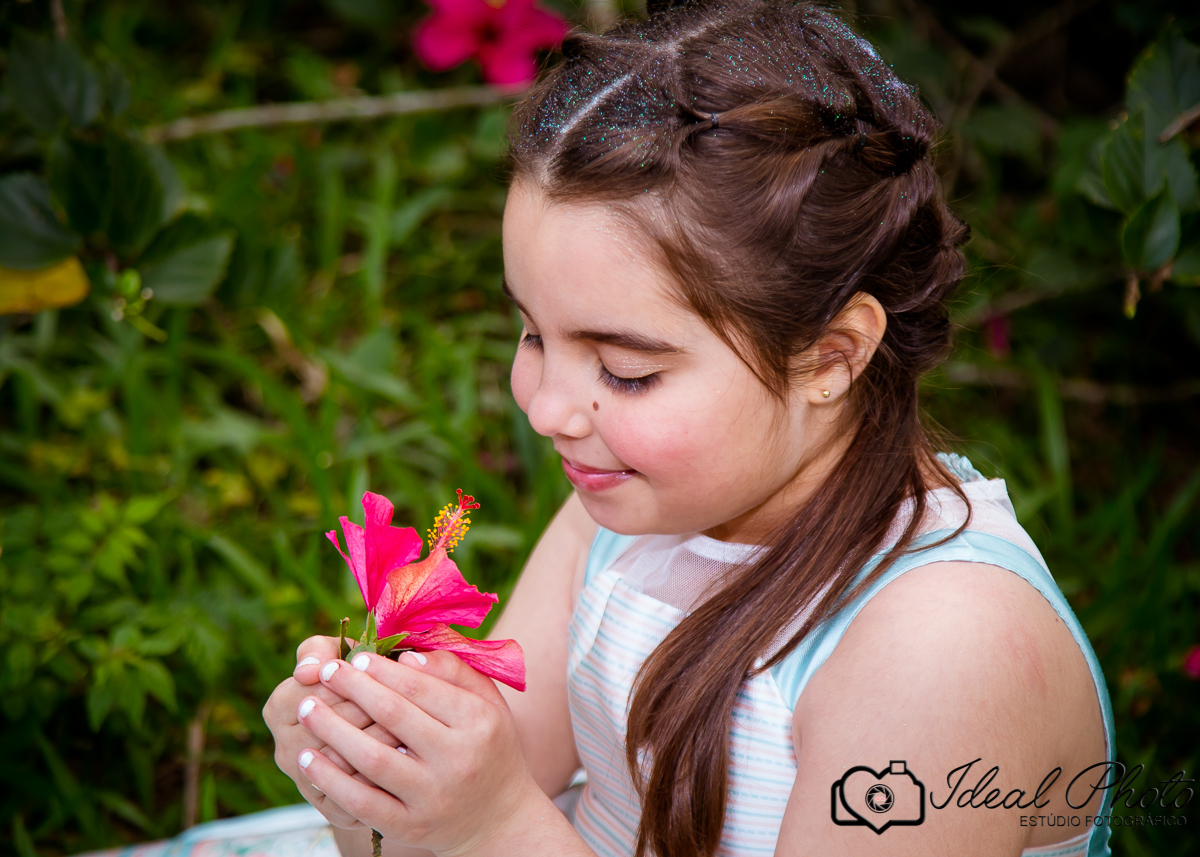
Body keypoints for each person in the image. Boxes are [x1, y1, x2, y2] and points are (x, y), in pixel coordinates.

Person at [264, 2, 1115, 855]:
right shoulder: (631, 507)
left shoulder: (943, 648)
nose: (546, 409)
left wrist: (493, 826)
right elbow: (469, 793)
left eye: (626, 371)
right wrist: (372, 784)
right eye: (531, 333)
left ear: (832, 356)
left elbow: (490, 818)